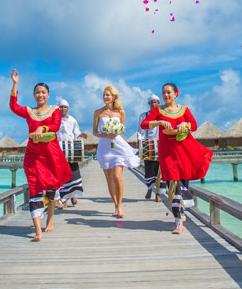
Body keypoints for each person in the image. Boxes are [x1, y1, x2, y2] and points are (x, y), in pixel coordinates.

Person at [141, 83, 213, 234]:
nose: (165, 95)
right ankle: (178, 221)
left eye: (168, 93)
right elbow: (144, 124)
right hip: (166, 152)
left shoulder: (185, 110)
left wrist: (185, 124)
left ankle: (182, 211)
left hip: (183, 149)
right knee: (172, 182)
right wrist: (159, 122)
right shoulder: (158, 110)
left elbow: (193, 125)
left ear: (175, 94)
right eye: (163, 93)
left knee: (183, 180)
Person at [9, 69, 72, 242]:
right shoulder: (29, 111)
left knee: (51, 189)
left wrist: (42, 128)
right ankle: (38, 231)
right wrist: (15, 84)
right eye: (37, 92)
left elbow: (56, 126)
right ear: (34, 95)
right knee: (35, 188)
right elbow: (13, 107)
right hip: (33, 156)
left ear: (48, 94)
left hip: (51, 155)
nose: (40, 95)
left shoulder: (55, 110)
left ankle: (50, 220)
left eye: (43, 92)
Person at [93, 85, 141, 218]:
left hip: (118, 146)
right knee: (109, 179)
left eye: (107, 95)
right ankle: (115, 205)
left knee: (117, 177)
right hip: (104, 147)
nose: (105, 97)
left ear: (114, 97)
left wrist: (115, 131)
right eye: (103, 95)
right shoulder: (98, 112)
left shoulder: (121, 112)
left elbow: (123, 130)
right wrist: (106, 134)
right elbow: (95, 132)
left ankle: (120, 207)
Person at [57, 98, 87, 208]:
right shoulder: (54, 120)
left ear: (67, 108)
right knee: (62, 175)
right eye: (61, 107)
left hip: (71, 150)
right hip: (59, 150)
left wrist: (81, 135)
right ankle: (63, 200)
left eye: (64, 107)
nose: (63, 109)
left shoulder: (72, 120)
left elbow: (76, 133)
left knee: (73, 174)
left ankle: (72, 195)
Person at [138, 94, 165, 202]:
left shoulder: (163, 115)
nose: (154, 104)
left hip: (161, 144)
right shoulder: (143, 115)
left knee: (160, 169)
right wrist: (139, 141)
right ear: (149, 104)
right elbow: (140, 130)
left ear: (158, 103)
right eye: (152, 102)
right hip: (148, 144)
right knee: (149, 169)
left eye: (155, 102)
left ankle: (157, 193)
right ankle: (149, 188)